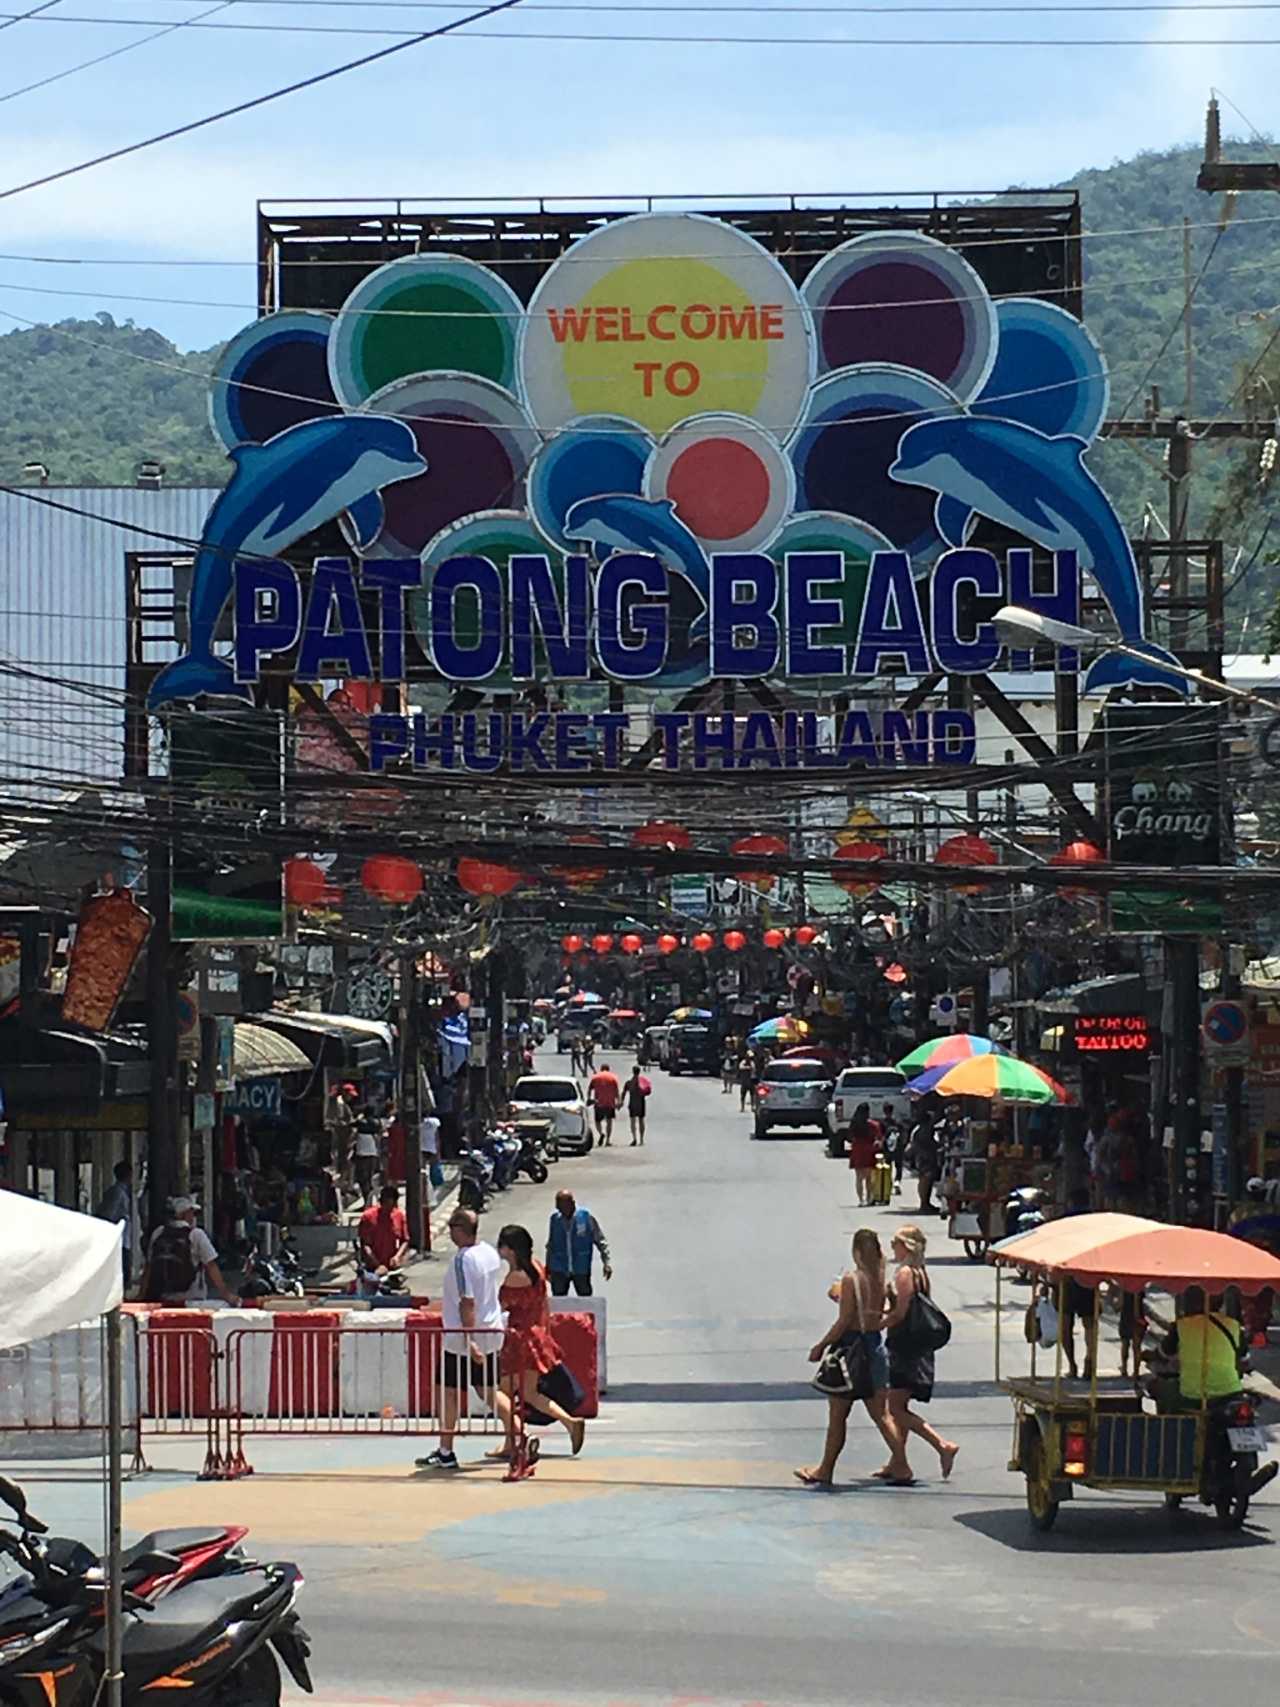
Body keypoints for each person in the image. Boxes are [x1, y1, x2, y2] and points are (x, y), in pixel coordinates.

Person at [795, 1228, 909, 1488]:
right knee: (882, 1415)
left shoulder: (851, 1279)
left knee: (838, 1416)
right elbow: (889, 1309)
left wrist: (821, 1345)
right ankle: (901, 1464)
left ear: (856, 1252)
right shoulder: (880, 1278)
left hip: (852, 1350)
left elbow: (845, 1320)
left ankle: (825, 1469)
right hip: (875, 1347)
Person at [416, 1208, 505, 1470]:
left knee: (448, 1392)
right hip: (490, 1331)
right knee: (489, 1391)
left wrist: (469, 1340)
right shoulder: (488, 1253)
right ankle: (519, 1434)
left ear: (459, 1229)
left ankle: (446, 1450)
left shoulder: (463, 1260)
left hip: (461, 1340)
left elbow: (467, 1302)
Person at [494, 1224, 586, 1459]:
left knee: (503, 1392)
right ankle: (568, 1423)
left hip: (520, 1339)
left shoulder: (515, 1277)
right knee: (529, 1393)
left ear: (511, 1250)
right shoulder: (536, 1267)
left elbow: (501, 1304)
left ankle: (517, 1437)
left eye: (502, 1246)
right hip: (536, 1335)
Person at [882, 1225, 959, 1480]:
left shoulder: (905, 1274)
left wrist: (878, 1322)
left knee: (895, 1409)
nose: (892, 1248)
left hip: (905, 1345)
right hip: (916, 1345)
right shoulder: (921, 1273)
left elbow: (901, 1313)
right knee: (901, 1404)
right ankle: (897, 1460)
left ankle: (941, 1445)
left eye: (895, 1243)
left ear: (905, 1246)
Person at [139, 1196, 238, 1307]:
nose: (193, 1217)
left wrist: (141, 1296)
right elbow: (211, 1265)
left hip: (164, 1299)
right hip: (193, 1300)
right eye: (192, 1213)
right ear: (185, 1214)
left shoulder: (158, 1233)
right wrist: (226, 1294)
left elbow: (149, 1267)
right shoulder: (196, 1234)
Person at [546, 1190, 612, 1295]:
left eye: (562, 1206)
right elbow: (551, 1244)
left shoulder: (586, 1217)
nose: (560, 1210)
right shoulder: (555, 1219)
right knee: (559, 1301)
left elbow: (600, 1241)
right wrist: (548, 1267)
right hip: (559, 1269)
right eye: (558, 1207)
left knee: (585, 1300)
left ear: (572, 1203)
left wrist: (606, 1263)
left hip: (581, 1268)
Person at [96, 1160, 134, 1290]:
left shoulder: (117, 1191)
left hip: (123, 1238)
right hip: (119, 1238)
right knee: (122, 1270)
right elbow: (109, 1214)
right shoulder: (118, 1193)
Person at [358, 1185, 410, 1275]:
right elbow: (365, 1245)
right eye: (386, 1204)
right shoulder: (368, 1217)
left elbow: (405, 1240)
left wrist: (397, 1256)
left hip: (391, 1265)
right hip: (372, 1267)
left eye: (391, 1206)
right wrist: (378, 1265)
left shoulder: (399, 1216)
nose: (388, 1209)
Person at [846, 1104, 883, 1207]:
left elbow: (849, 1137)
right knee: (869, 1177)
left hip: (857, 1150)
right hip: (869, 1150)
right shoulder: (873, 1125)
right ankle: (869, 1198)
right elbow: (879, 1138)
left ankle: (861, 1200)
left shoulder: (854, 1124)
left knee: (858, 1177)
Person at [909, 1113, 940, 1213]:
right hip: (925, 1158)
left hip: (921, 1157)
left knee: (925, 1180)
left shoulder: (918, 1129)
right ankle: (924, 1204)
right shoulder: (924, 1130)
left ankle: (925, 1203)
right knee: (925, 1180)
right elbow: (927, 1143)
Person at [587, 1061, 621, 1146]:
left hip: (598, 1103)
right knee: (609, 1122)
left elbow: (590, 1089)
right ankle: (608, 1140)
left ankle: (601, 1133)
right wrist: (618, 1102)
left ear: (601, 1069)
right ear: (608, 1069)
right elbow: (617, 1091)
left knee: (597, 1121)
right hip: (610, 1103)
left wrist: (589, 1098)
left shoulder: (595, 1077)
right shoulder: (613, 1077)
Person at [625, 1064, 651, 1146]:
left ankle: (634, 1138)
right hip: (641, 1103)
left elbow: (624, 1092)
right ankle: (641, 1139)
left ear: (633, 1071)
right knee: (641, 1121)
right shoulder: (643, 1081)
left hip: (632, 1103)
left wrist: (620, 1102)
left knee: (632, 1121)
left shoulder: (629, 1082)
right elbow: (648, 1091)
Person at [881, 1105, 905, 1194]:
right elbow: (903, 1134)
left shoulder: (882, 1123)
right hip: (898, 1147)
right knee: (899, 1166)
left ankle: (888, 1183)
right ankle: (897, 1182)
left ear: (884, 1111)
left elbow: (880, 1135)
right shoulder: (898, 1122)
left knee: (887, 1166)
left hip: (887, 1148)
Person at [421, 1108, 444, 1190]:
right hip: (432, 1147)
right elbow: (437, 1137)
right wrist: (438, 1149)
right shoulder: (435, 1122)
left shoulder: (418, 1123)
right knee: (435, 1167)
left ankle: (423, 1186)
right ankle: (436, 1186)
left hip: (421, 1147)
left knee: (422, 1169)